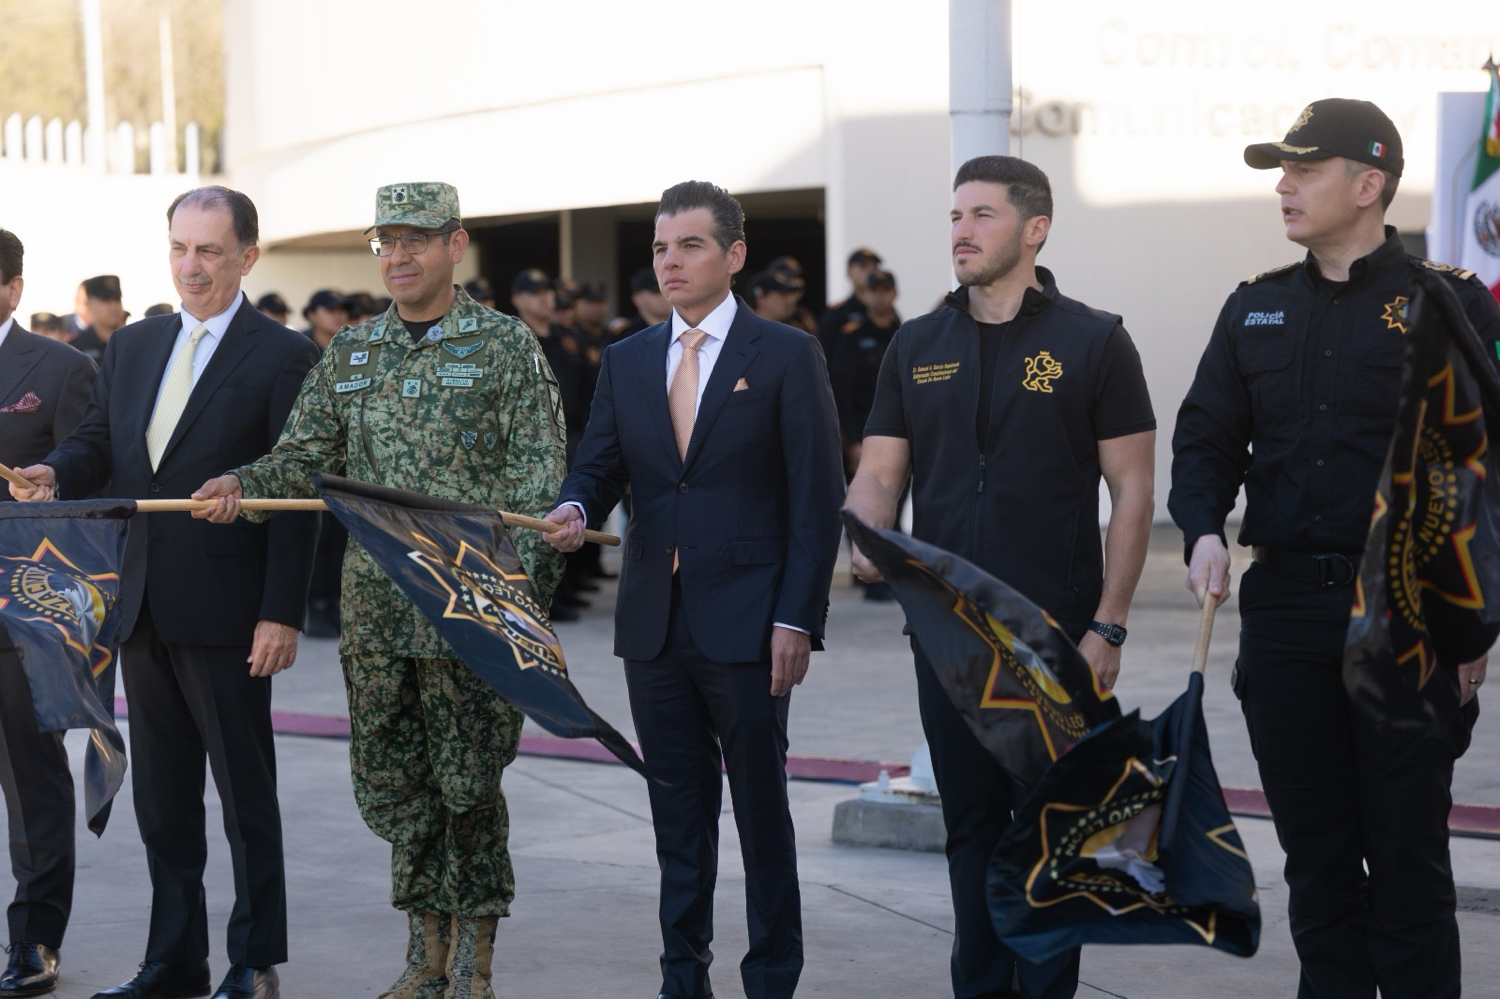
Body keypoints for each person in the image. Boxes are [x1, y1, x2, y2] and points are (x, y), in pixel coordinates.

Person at [190, 182, 568, 999]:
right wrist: (240, 482)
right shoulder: (354, 352)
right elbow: (302, 455)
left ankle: (473, 956)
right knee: (396, 785)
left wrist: (514, 601)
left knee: (469, 787)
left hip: (469, 616)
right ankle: (422, 950)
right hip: (378, 614)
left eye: (416, 240)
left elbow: (537, 483)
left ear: (454, 243)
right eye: (385, 241)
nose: (398, 257)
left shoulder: (505, 347)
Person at [1169, 98, 1500, 999]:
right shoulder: (1254, 310)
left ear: (1369, 183)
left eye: (1304, 169)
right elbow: (1205, 439)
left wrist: (1472, 626)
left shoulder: (1449, 301)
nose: (1284, 186)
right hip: (1283, 615)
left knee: (1407, 864)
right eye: (1281, 169)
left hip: (1407, 614)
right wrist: (1202, 527)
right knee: (1316, 863)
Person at [845, 155, 1156, 999]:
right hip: (947, 637)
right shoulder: (918, 343)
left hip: (1054, 639)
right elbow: (880, 470)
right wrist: (864, 529)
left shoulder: (1094, 339)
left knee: (1054, 828)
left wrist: (1109, 624)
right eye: (954, 215)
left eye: (981, 214)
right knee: (972, 827)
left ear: (1035, 228)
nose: (961, 231)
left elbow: (1132, 489)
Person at [9, 187, 320, 999]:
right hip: (141, 607)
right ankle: (175, 958)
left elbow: (298, 492)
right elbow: (97, 444)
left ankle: (254, 960)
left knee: (245, 798)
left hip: (230, 614)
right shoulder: (136, 344)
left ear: (248, 255)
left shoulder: (284, 357)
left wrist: (282, 609)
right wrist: (55, 471)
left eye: (210, 250)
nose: (192, 266)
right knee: (165, 801)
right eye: (180, 247)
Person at [543, 180, 844, 999]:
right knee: (677, 818)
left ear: (733, 255)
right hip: (654, 626)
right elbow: (599, 463)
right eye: (659, 248)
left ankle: (772, 978)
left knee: (760, 814)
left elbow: (816, 500)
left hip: (752, 625)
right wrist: (574, 503)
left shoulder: (786, 354)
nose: (669, 262)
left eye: (690, 246)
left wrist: (797, 618)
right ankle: (684, 979)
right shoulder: (629, 358)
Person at [0, 228, 98, 999]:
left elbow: (83, 484)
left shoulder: (61, 369)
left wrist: (48, 488)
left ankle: (35, 939)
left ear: (12, 288)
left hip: (19, 619)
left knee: (32, 784)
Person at [816, 247, 882, 344]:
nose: (870, 272)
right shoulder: (837, 314)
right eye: (863, 267)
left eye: (874, 267)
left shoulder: (885, 312)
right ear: (849, 272)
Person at [68, 275, 127, 362]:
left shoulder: (131, 342)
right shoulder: (77, 349)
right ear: (89, 305)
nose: (114, 306)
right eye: (105, 300)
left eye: (117, 299)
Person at [609, 267, 670, 342]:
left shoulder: (683, 331)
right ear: (636, 298)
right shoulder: (626, 338)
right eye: (656, 292)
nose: (664, 296)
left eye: (667, 291)